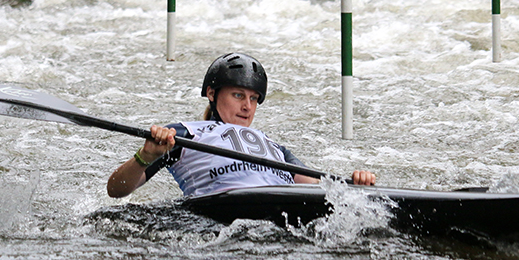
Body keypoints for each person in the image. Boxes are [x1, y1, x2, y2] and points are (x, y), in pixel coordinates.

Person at [107, 52, 376, 198]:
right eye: (238, 95)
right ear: (212, 94)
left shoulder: (275, 148)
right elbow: (117, 190)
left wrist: (354, 185)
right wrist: (146, 156)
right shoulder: (182, 134)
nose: (247, 106)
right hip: (217, 211)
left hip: (277, 204)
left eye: (253, 98)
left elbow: (320, 186)